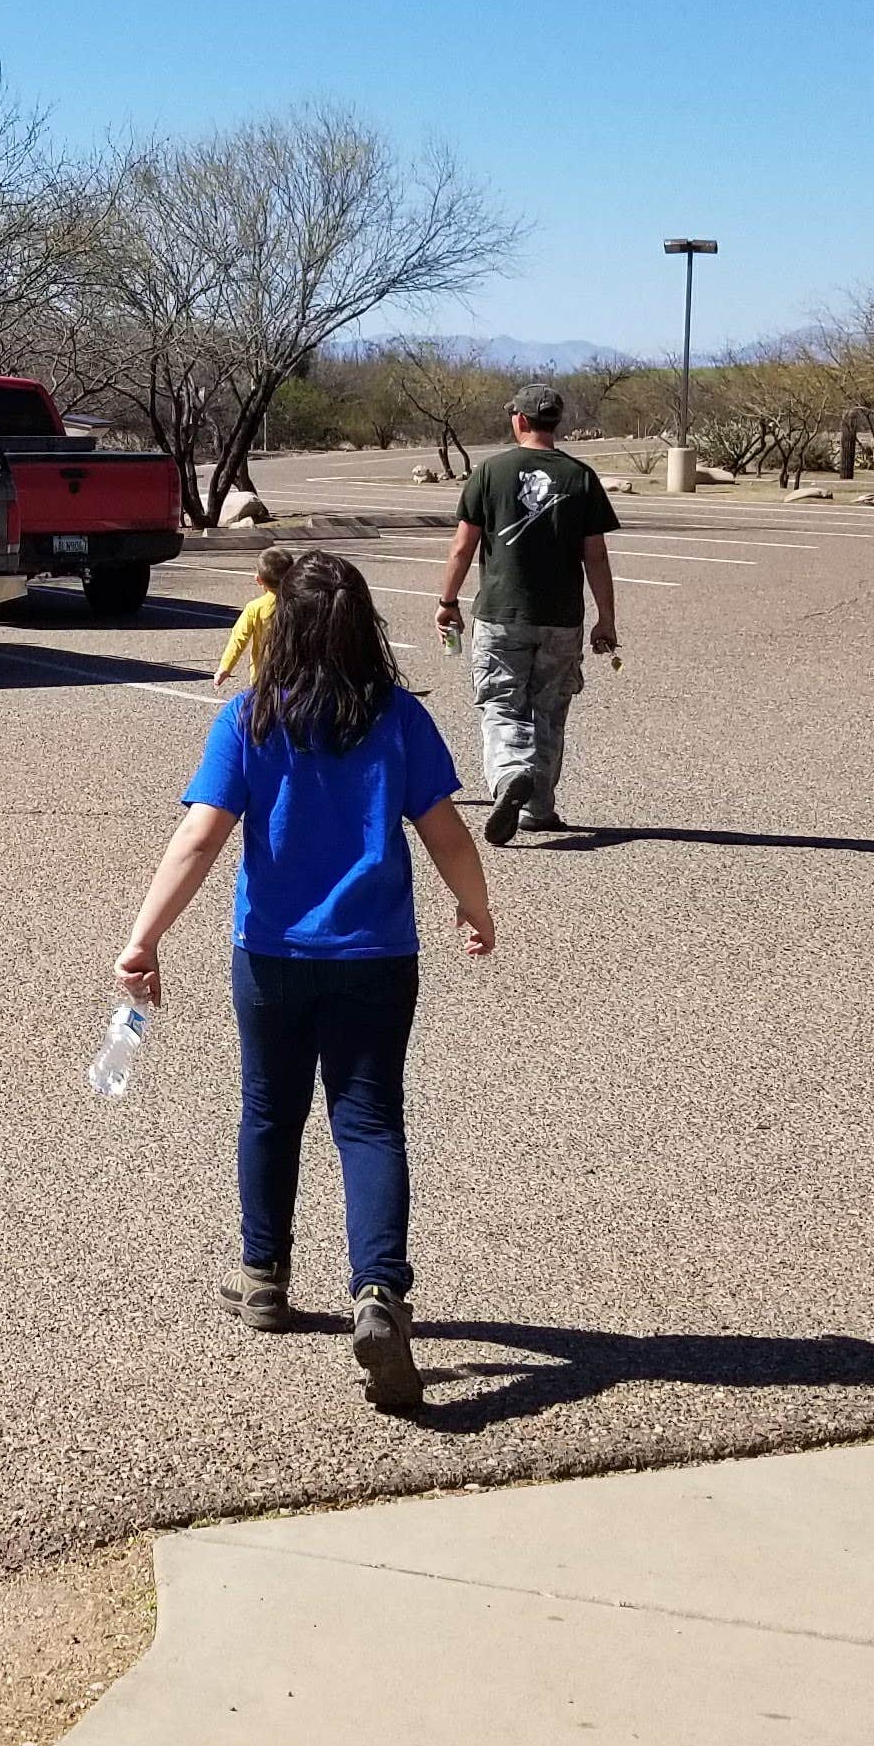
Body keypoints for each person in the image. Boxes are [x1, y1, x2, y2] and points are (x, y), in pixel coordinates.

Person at [116, 551, 496, 1413]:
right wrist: (474, 909)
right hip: (375, 955)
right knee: (367, 1121)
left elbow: (200, 839)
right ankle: (380, 1293)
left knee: (269, 1110)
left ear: (276, 630)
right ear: (363, 628)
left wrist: (143, 939)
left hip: (273, 953)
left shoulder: (250, 721)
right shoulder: (396, 718)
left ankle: (263, 1278)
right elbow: (444, 833)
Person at [432, 382, 620, 843]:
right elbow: (595, 555)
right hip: (562, 617)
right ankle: (538, 805)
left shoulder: (491, 472)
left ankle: (511, 772)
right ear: (556, 423)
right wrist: (606, 618)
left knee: (501, 702)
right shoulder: (581, 477)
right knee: (550, 710)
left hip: (501, 613)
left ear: (519, 419)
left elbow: (463, 546)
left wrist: (447, 601)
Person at [208, 546, 297, 689]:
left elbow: (238, 638)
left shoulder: (255, 608)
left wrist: (225, 668)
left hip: (263, 675)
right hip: (296, 673)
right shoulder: (301, 604)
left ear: (259, 580)